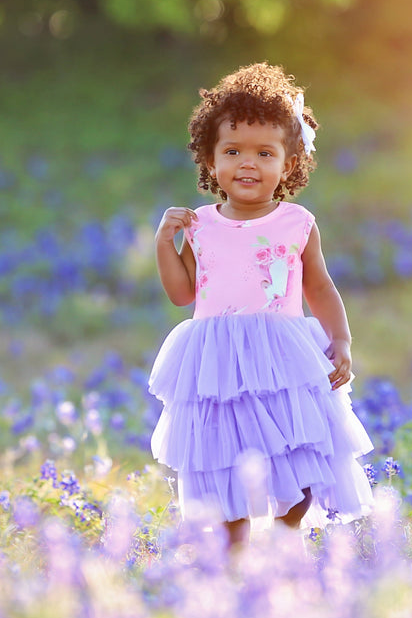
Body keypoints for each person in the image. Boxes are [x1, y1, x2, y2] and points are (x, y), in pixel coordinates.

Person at [149, 63, 373, 548]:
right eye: (232, 151)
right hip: (218, 363)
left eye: (264, 153)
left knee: (299, 454)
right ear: (211, 162)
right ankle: (236, 550)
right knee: (225, 459)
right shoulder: (201, 224)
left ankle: (286, 537)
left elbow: (321, 288)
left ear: (289, 164)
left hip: (283, 357)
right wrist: (166, 243)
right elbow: (183, 294)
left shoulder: (298, 222)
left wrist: (340, 339)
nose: (247, 164)